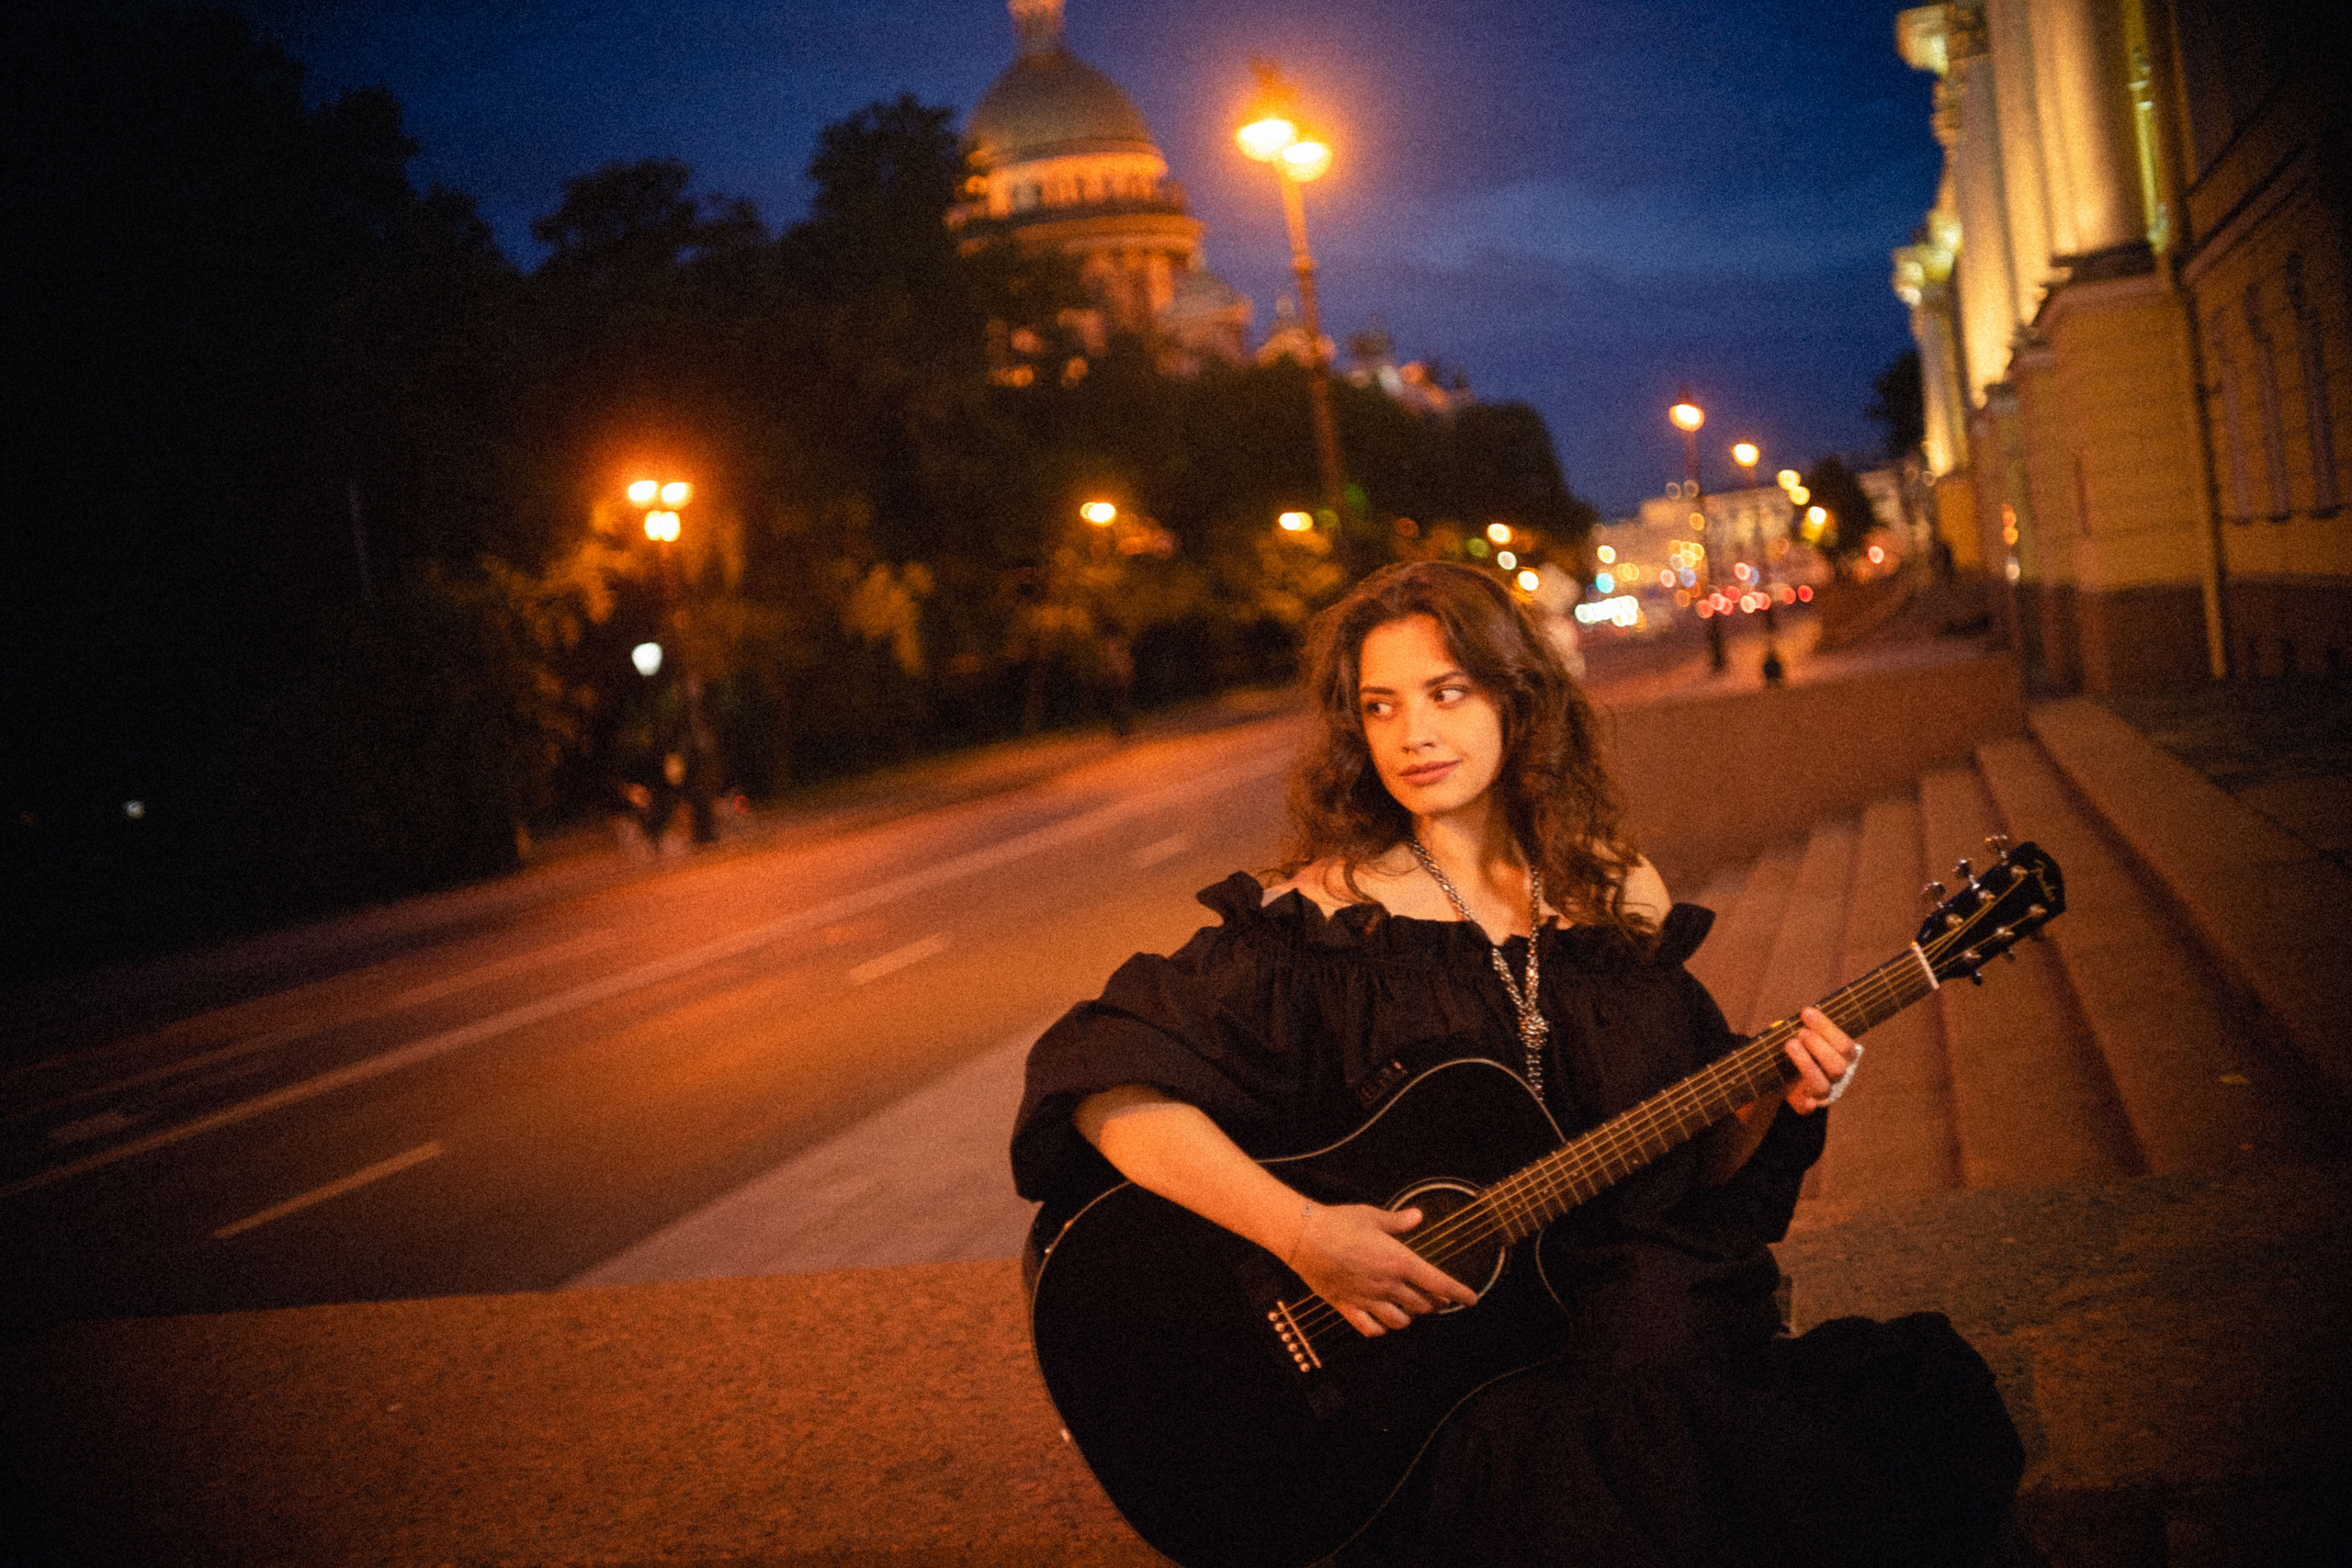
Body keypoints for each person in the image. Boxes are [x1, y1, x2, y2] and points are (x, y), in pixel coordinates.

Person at [1012, 560, 2023, 1566]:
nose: (1413, 734)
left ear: (1516, 696)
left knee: (1817, 1408)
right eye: (1380, 705)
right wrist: (1307, 1233)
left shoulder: (1617, 892)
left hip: (1615, 1323)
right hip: (1420, 1392)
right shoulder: (1324, 927)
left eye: (1446, 692)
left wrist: (1785, 1096)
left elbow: (1683, 1156)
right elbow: (1105, 1090)